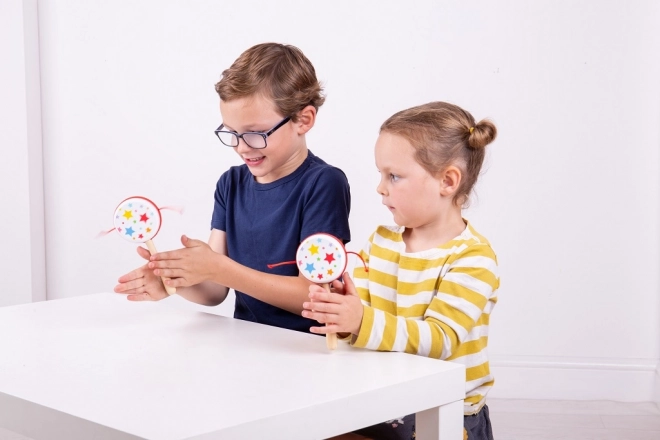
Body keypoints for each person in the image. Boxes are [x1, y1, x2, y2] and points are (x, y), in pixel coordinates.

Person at [114, 43, 351, 334]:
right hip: (246, 343)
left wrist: (218, 267)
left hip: (305, 348)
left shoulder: (323, 184)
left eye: (255, 133)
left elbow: (311, 295)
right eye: (232, 133)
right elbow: (214, 291)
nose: (241, 146)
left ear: (303, 119)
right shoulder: (231, 184)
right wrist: (173, 280)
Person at [302, 101, 498, 440]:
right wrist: (338, 306)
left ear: (448, 181)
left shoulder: (472, 258)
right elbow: (360, 316)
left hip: (443, 410)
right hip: (383, 397)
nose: (380, 187)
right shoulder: (381, 243)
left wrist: (360, 321)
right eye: (380, 174)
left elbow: (440, 340)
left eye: (393, 176)